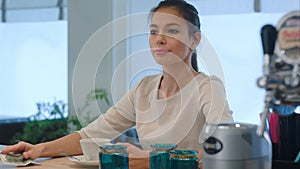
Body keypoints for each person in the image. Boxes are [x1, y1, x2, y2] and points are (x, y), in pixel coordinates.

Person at [1, 0, 233, 168]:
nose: (159, 39)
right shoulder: (144, 88)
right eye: (153, 31)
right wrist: (37, 149)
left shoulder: (207, 88)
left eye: (172, 30)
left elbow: (225, 150)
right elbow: (91, 135)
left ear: (194, 39)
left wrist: (147, 161)